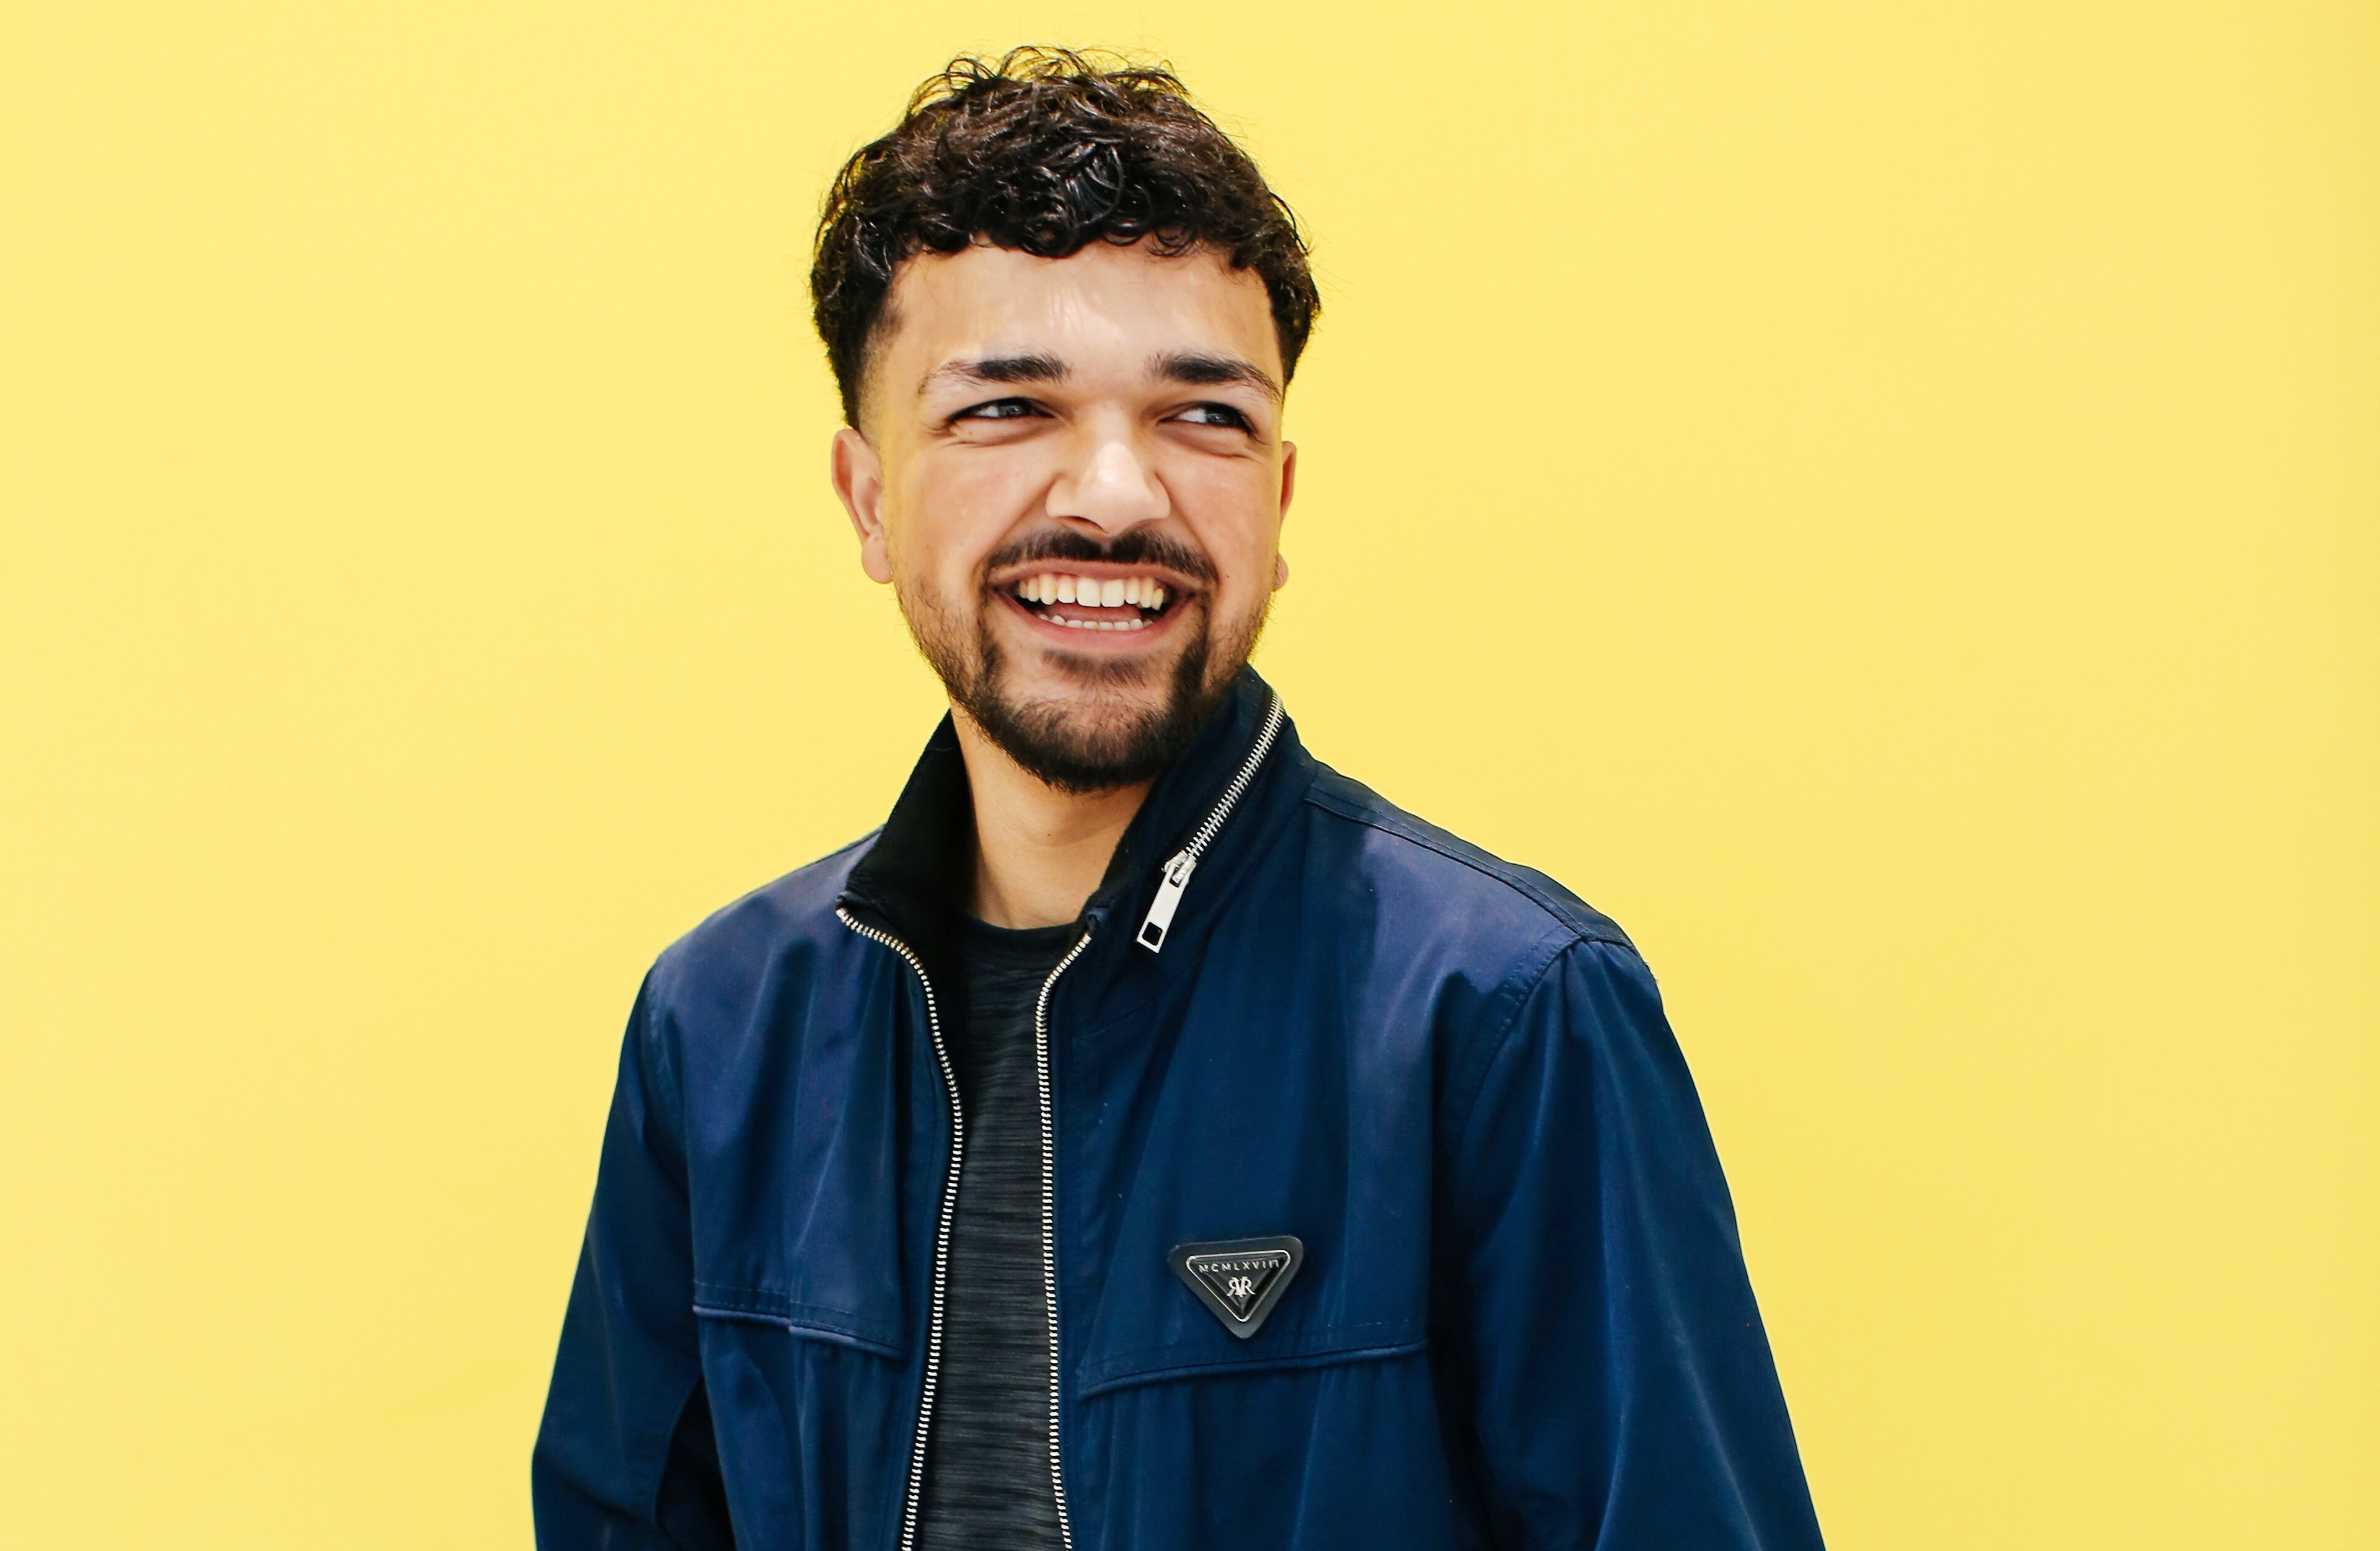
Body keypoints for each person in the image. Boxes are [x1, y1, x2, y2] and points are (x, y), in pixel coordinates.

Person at [533, 48, 1824, 1551]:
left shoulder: (1506, 1014)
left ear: (1278, 505)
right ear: (869, 499)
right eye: (1007, 409)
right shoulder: (720, 1028)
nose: (1119, 494)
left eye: (1203, 417)